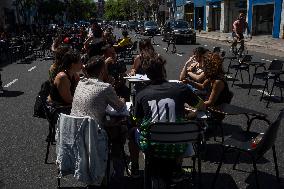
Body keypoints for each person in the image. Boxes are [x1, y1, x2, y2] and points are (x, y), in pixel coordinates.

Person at [128, 55, 205, 179]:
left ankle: (135, 167)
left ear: (147, 75)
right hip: (179, 146)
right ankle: (177, 169)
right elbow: (201, 106)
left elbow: (138, 120)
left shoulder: (141, 94)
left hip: (151, 146)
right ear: (163, 71)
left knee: (132, 132)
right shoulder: (181, 88)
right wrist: (191, 112)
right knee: (179, 127)